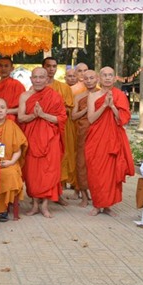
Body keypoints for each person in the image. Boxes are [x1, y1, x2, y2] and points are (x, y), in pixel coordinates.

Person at [85, 66, 135, 217]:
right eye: (104, 75)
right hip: (96, 139)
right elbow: (91, 119)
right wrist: (104, 106)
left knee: (111, 173)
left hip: (113, 139)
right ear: (99, 78)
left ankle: (107, 206)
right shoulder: (93, 96)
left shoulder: (120, 95)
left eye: (110, 75)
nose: (107, 78)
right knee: (95, 172)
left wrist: (112, 106)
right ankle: (97, 204)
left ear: (114, 78)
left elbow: (123, 119)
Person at [18, 67, 66, 218]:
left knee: (49, 172)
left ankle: (45, 206)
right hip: (32, 138)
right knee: (32, 173)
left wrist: (43, 114)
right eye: (35, 77)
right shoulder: (25, 96)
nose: (38, 80)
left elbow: (61, 118)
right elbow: (20, 117)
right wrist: (34, 115)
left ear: (47, 79)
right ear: (31, 79)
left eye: (41, 77)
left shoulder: (55, 96)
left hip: (50, 139)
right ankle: (34, 205)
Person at [43, 57, 76, 200]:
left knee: (61, 158)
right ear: (43, 68)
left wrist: (55, 108)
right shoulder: (37, 88)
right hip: (43, 128)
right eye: (48, 66)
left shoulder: (64, 88)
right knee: (44, 161)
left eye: (54, 66)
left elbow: (69, 109)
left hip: (61, 127)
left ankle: (59, 194)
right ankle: (40, 194)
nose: (51, 69)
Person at [71, 69, 99, 207]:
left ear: (97, 79)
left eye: (91, 78)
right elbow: (73, 116)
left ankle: (98, 195)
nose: (89, 81)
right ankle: (84, 196)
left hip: (98, 133)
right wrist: (86, 110)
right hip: (83, 131)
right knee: (81, 163)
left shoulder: (102, 94)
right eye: (86, 78)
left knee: (97, 164)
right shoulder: (79, 97)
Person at [0, 57, 26, 122]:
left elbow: (23, 109)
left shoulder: (17, 85)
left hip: (10, 121)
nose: (3, 68)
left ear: (12, 68)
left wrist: (6, 111)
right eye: (1, 66)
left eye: (6, 66)